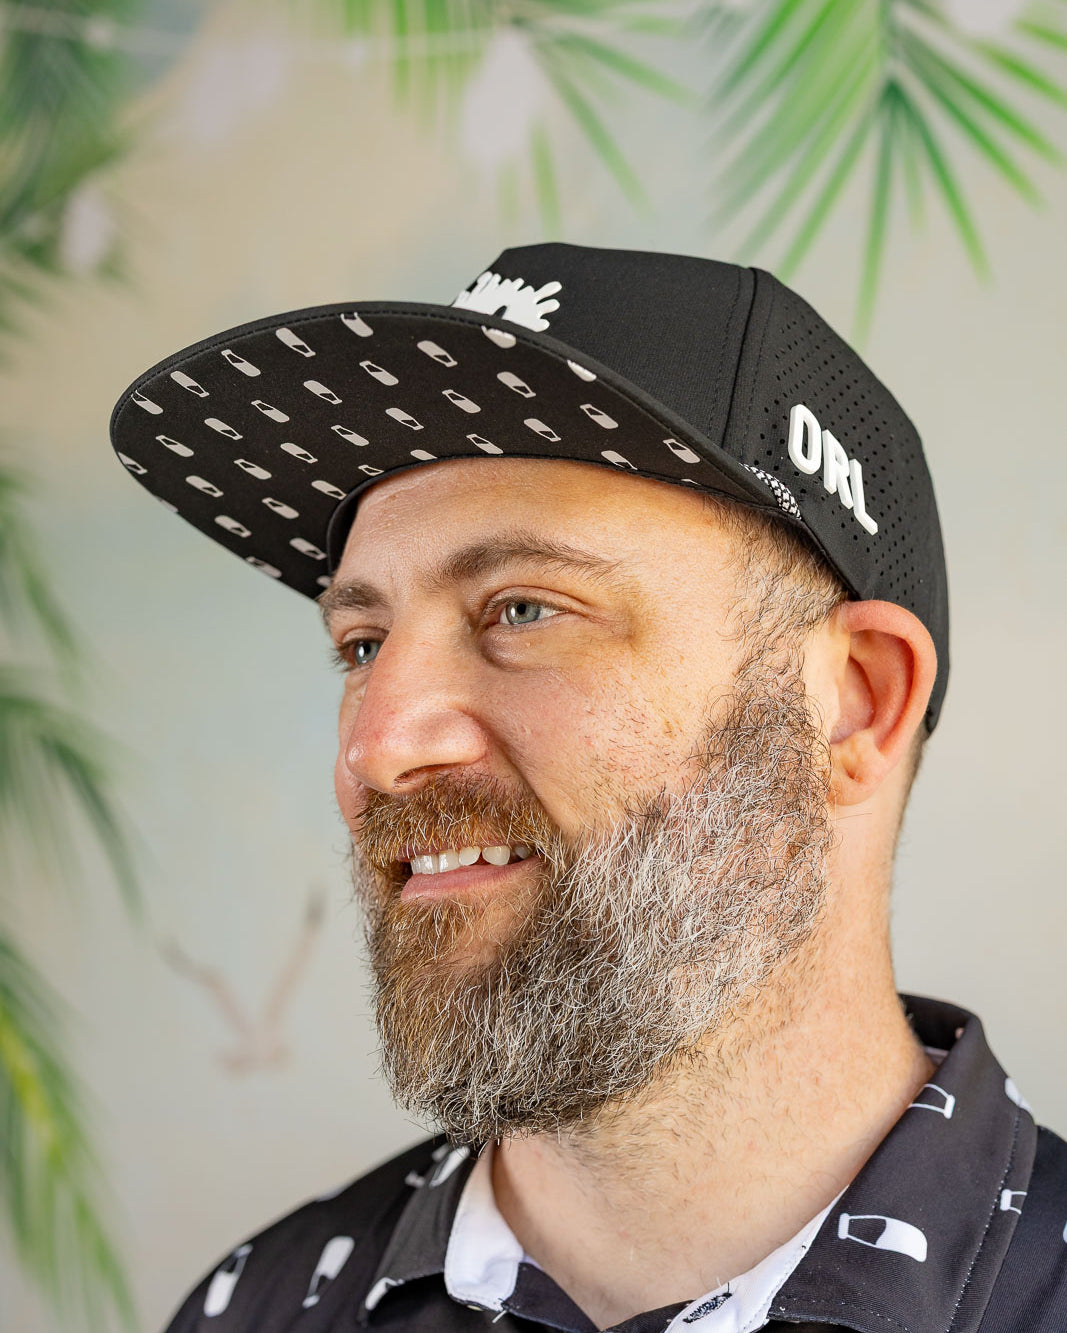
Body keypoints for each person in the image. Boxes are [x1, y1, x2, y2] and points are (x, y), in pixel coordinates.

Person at [110, 243, 1067, 1333]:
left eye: (522, 609)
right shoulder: (258, 1312)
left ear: (850, 700)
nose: (377, 747)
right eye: (363, 642)